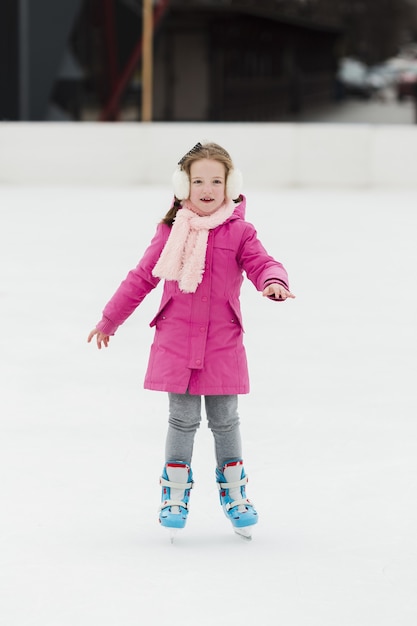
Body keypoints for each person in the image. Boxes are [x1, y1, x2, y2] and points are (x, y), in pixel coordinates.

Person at [88, 141, 295, 540]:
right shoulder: (170, 231)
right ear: (183, 184)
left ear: (229, 185)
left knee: (225, 420)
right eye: (198, 179)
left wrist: (274, 281)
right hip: (177, 342)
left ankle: (235, 494)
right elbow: (142, 278)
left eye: (216, 180)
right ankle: (175, 495)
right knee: (181, 419)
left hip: (221, 343)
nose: (207, 187)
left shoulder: (240, 232)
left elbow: (262, 263)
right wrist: (109, 320)